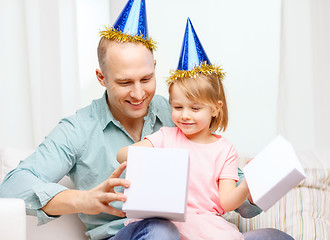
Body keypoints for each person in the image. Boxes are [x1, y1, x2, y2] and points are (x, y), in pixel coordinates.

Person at [0, 0, 290, 239]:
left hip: (200, 230)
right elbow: (11, 187)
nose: (139, 94)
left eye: (147, 79)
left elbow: (233, 194)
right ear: (102, 78)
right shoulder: (78, 129)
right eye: (125, 82)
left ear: (155, 68)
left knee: (274, 238)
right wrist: (83, 199)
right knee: (161, 231)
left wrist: (257, 181)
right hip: (131, 234)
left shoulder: (176, 112)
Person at [117, 18, 294, 240]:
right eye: (177, 107)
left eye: (195, 108)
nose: (185, 115)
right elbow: (122, 154)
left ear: (215, 109)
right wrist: (154, 159)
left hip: (208, 225)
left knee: (276, 237)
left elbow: (226, 202)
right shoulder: (166, 137)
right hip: (170, 224)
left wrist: (248, 184)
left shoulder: (225, 150)